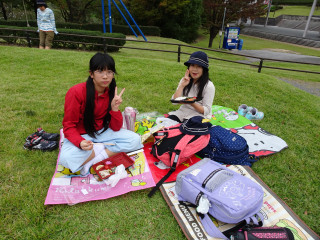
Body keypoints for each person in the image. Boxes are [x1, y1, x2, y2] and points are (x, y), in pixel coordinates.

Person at [59, 53, 143, 176]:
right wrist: (80, 142)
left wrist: (114, 108)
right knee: (66, 159)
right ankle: (97, 150)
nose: (105, 77)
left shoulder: (110, 94)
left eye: (109, 72)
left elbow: (115, 127)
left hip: (103, 132)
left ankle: (95, 158)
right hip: (82, 134)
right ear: (91, 74)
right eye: (100, 71)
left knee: (134, 140)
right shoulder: (76, 92)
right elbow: (68, 125)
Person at [168, 51, 215, 123]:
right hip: (183, 111)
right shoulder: (185, 80)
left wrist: (191, 103)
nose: (195, 69)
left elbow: (206, 111)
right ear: (188, 67)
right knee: (168, 122)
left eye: (199, 66)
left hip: (199, 115)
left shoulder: (209, 86)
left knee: (188, 127)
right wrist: (182, 85)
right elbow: (175, 102)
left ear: (204, 70)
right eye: (192, 65)